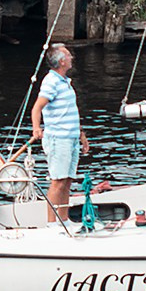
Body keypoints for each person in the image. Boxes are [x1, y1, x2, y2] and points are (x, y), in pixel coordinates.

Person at [30, 43, 89, 223]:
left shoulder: (65, 82)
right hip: (58, 139)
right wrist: (36, 127)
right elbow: (37, 108)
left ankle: (63, 219)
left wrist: (81, 134)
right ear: (62, 61)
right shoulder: (51, 82)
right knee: (58, 181)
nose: (72, 58)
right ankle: (52, 223)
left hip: (71, 137)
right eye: (69, 55)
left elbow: (70, 111)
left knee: (68, 180)